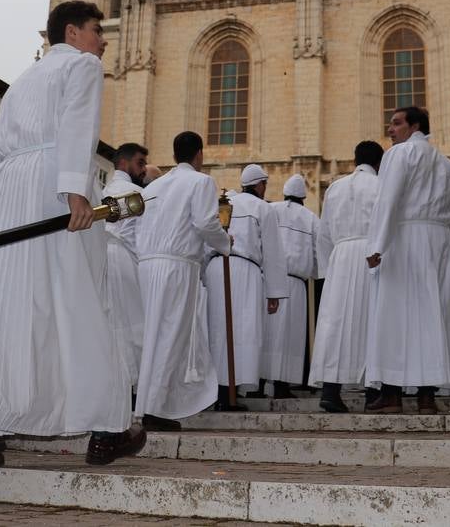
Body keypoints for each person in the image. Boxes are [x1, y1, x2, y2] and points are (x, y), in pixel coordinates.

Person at [0, 2, 145, 467]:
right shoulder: (84, 66)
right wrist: (74, 190)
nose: (102, 40)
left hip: (7, 189)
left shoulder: (25, 79)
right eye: (96, 30)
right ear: (72, 32)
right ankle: (107, 430)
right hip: (54, 185)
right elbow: (78, 127)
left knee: (0, 302)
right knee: (80, 298)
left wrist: (15, 182)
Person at [364, 106, 450, 415]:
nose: (390, 130)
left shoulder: (399, 155)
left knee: (396, 314)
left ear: (415, 126)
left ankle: (392, 394)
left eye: (396, 123)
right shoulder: (448, 165)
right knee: (433, 316)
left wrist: (376, 245)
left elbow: (388, 200)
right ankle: (427, 396)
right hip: (439, 243)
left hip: (404, 239)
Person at [134, 131, 232, 431]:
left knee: (151, 333)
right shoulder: (200, 182)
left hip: (147, 265)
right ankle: (155, 408)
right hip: (177, 267)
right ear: (199, 154)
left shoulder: (154, 186)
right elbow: (204, 222)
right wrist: (225, 241)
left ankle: (145, 401)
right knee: (171, 333)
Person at [309, 141, 383, 412]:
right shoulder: (381, 185)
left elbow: (324, 233)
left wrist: (329, 270)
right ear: (379, 163)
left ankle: (330, 390)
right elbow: (385, 225)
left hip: (339, 258)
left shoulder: (335, 188)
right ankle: (373, 392)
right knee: (372, 319)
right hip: (371, 255)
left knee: (335, 324)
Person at [207, 164, 289, 410]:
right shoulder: (263, 208)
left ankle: (218, 393)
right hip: (245, 270)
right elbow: (273, 251)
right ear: (259, 185)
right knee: (241, 332)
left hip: (215, 268)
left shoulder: (222, 202)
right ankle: (228, 394)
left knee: (216, 330)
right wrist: (274, 293)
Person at [263, 174, 319, 399]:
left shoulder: (271, 210)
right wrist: (314, 274)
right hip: (296, 282)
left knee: (268, 332)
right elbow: (318, 253)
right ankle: (282, 385)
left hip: (268, 280)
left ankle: (257, 384)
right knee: (290, 335)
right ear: (303, 198)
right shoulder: (311, 218)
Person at [101, 142, 149, 395]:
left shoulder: (102, 190)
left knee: (110, 325)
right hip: (126, 260)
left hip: (101, 261)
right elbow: (143, 238)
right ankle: (132, 389)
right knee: (133, 325)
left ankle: (112, 387)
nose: (143, 170)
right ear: (123, 163)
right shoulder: (134, 193)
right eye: (140, 163)